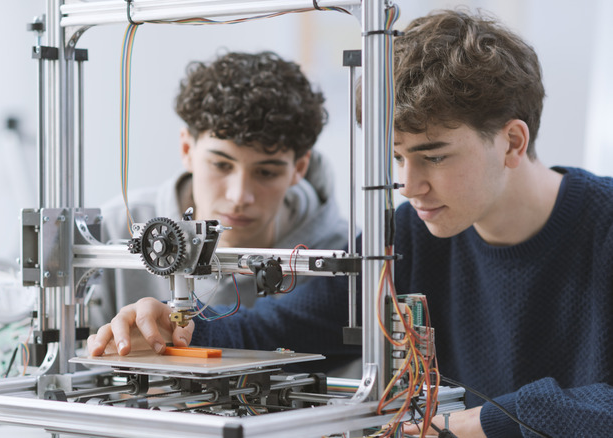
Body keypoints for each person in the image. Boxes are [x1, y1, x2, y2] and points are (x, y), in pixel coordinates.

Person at [90, 9, 613, 438]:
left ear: (513, 142)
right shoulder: (406, 234)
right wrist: (171, 330)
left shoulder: (604, 225)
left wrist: (473, 421)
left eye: (433, 157)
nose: (408, 185)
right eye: (396, 157)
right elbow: (276, 332)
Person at [87, 51, 351, 336]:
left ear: (299, 167)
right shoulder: (111, 229)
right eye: (221, 165)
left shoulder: (341, 257)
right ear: (187, 149)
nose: (239, 196)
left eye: (266, 172)